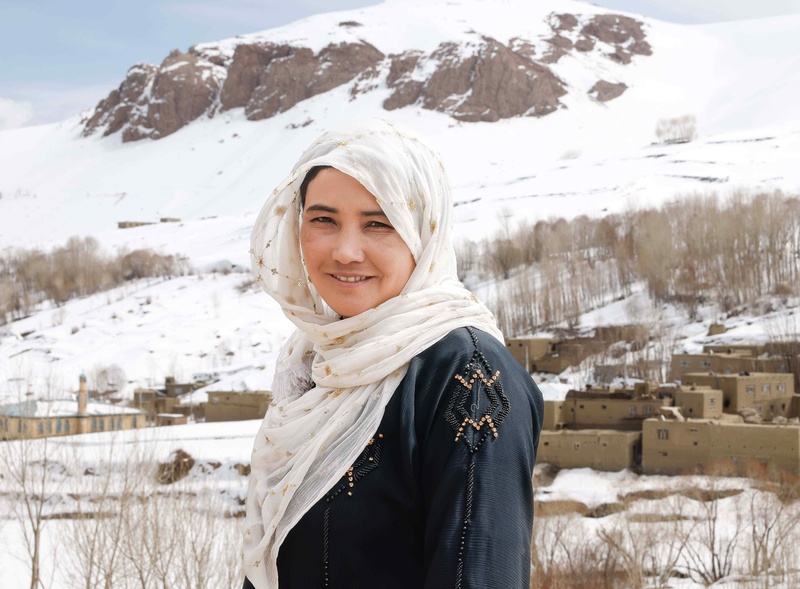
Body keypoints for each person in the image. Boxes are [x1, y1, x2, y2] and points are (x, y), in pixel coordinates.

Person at [243, 118, 544, 589]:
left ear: (423, 232)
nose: (345, 251)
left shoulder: (468, 376)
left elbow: (479, 573)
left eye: (378, 223)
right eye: (323, 219)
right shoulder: (314, 367)